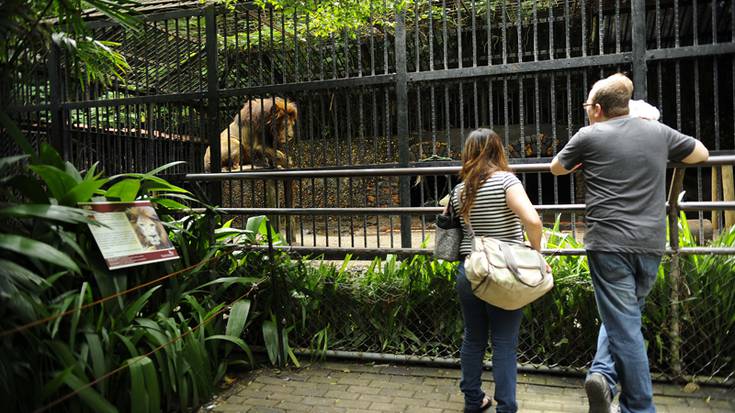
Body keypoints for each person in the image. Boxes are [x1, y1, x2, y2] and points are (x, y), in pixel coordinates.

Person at [550, 73, 709, 413]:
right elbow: (701, 153)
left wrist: (585, 154)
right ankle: (604, 376)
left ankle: (638, 406)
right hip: (650, 243)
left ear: (596, 108)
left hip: (608, 244)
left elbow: (556, 168)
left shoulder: (588, 136)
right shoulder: (658, 132)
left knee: (625, 327)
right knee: (626, 317)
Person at [448, 128, 545, 413]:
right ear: (497, 150)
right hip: (504, 274)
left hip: (470, 271)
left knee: (473, 337)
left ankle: (472, 400)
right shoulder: (505, 181)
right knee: (504, 342)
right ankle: (506, 407)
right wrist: (537, 253)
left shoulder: (459, 190)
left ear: (468, 153)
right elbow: (533, 221)